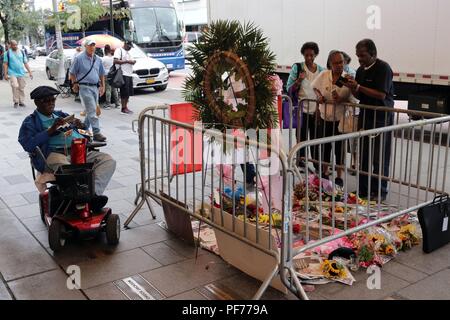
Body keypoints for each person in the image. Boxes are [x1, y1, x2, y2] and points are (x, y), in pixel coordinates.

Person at [18, 86, 116, 201]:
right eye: (46, 101)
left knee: (108, 161)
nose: (51, 103)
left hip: (79, 150)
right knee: (69, 170)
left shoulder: (61, 115)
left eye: (53, 100)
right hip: (55, 153)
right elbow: (27, 144)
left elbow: (88, 135)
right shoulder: (31, 121)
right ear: (37, 102)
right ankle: (81, 196)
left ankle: (93, 194)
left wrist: (82, 128)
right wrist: (50, 131)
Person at [344, 39, 395, 201]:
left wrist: (359, 87)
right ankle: (364, 189)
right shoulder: (360, 70)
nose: (360, 59)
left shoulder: (383, 68)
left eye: (363, 56)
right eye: (358, 56)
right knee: (364, 155)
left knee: (379, 157)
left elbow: (381, 94)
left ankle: (380, 191)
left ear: (373, 54)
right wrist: (353, 88)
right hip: (365, 116)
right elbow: (360, 96)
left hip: (381, 118)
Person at [312, 50, 357, 186]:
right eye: (336, 63)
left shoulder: (348, 78)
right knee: (325, 148)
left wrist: (342, 98)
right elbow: (314, 87)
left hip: (340, 119)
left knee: (340, 150)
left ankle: (339, 177)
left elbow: (354, 98)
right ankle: (325, 174)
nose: (339, 65)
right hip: (325, 118)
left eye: (341, 62)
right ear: (330, 64)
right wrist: (319, 96)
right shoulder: (324, 74)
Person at [286, 42, 325, 168]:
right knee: (301, 138)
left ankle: (316, 162)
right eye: (306, 55)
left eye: (312, 55)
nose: (309, 58)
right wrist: (299, 80)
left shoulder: (321, 70)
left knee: (315, 138)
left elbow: (323, 90)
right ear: (303, 55)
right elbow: (289, 88)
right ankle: (301, 161)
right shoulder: (297, 68)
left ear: (316, 55)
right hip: (301, 110)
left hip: (317, 111)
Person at [69, 39, 107, 142]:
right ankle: (96, 132)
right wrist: (75, 83)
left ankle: (82, 129)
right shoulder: (79, 58)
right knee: (92, 110)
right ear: (85, 46)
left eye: (94, 45)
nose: (92, 47)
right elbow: (72, 72)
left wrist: (103, 86)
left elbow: (102, 73)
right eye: (90, 45)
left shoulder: (98, 59)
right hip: (84, 87)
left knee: (92, 110)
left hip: (95, 87)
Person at [3, 40, 33, 108]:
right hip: (12, 72)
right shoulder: (7, 53)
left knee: (21, 87)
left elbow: (25, 63)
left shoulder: (22, 52)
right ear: (10, 45)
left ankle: (21, 102)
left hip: (21, 72)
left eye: (16, 45)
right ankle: (16, 101)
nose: (15, 46)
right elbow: (5, 64)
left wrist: (30, 72)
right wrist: (5, 74)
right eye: (13, 45)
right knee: (15, 86)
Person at [113, 40, 135, 115]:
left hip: (129, 74)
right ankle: (123, 108)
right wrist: (127, 61)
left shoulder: (128, 52)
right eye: (129, 46)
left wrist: (133, 61)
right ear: (125, 44)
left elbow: (130, 60)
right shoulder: (119, 50)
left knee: (128, 93)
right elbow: (115, 61)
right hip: (123, 74)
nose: (130, 48)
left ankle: (126, 107)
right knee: (124, 92)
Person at [101, 44, 120, 109]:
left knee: (108, 90)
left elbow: (101, 68)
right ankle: (117, 104)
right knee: (114, 89)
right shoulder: (113, 58)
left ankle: (108, 104)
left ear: (105, 50)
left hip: (106, 75)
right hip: (113, 74)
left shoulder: (103, 59)